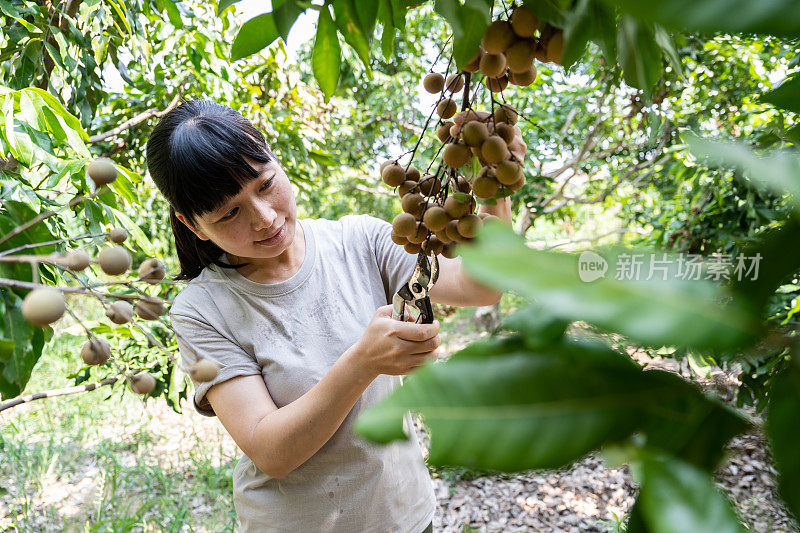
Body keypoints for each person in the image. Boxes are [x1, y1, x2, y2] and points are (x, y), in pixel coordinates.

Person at [145, 99, 519, 532]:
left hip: (405, 517)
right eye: (229, 213)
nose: (264, 219)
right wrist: (362, 363)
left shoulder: (360, 240)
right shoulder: (201, 310)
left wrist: (496, 184)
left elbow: (482, 285)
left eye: (266, 185)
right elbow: (272, 452)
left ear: (278, 163)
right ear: (193, 225)